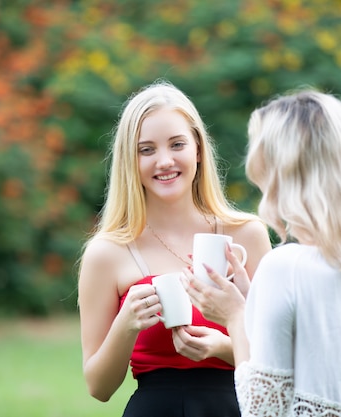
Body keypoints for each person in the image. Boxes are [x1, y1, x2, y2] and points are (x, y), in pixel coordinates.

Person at [184, 88, 341, 416]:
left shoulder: (285, 267)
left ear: (283, 176)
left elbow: (261, 408)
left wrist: (234, 316)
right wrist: (252, 301)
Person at [77, 80, 272, 417]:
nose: (164, 160)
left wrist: (224, 348)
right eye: (146, 149)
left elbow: (279, 361)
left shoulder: (247, 235)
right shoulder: (106, 253)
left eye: (177, 144)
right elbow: (99, 388)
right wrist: (126, 324)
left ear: (197, 149)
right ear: (130, 161)